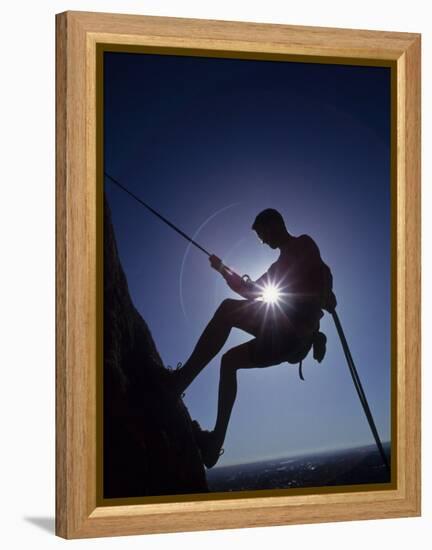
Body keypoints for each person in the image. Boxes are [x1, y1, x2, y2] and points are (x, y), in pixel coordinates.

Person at [168, 208, 331, 468]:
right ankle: (214, 445)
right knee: (229, 361)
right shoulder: (283, 263)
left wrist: (321, 302)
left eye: (262, 234)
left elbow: (311, 280)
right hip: (288, 339)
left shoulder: (301, 245)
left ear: (274, 224)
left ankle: (181, 380)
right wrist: (222, 269)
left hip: (289, 334)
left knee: (227, 310)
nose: (263, 241)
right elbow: (251, 290)